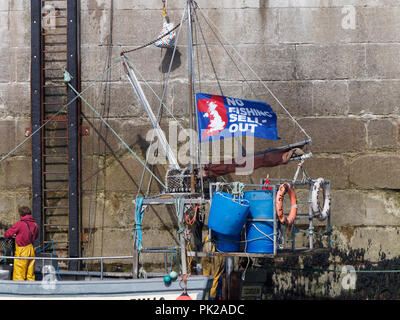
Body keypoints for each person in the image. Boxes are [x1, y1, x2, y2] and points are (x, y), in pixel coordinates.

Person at [4, 206, 39, 281]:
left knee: (19, 274)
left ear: (21, 214)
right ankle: (31, 289)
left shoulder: (19, 224)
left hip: (21, 250)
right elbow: (35, 236)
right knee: (30, 274)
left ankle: (19, 291)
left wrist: (15, 235)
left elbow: (8, 234)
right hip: (31, 249)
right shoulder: (35, 225)